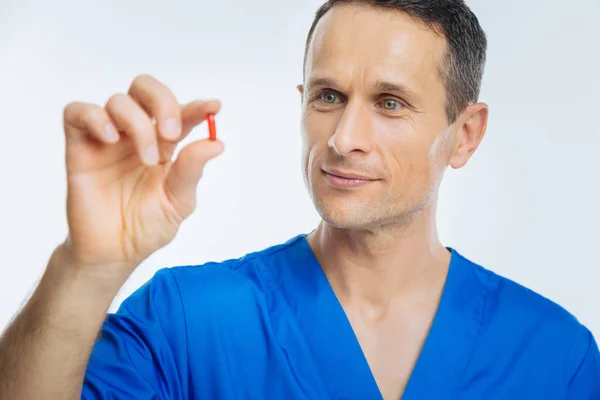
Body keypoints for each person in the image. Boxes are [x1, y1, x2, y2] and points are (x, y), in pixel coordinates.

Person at [0, 0, 599, 398]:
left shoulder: (556, 355)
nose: (342, 139)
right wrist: (88, 265)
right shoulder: (188, 322)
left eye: (390, 103)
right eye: (328, 96)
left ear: (464, 134)